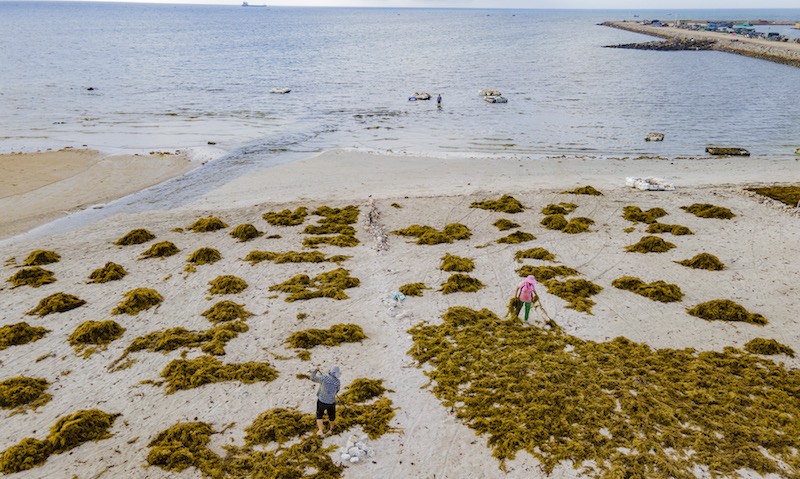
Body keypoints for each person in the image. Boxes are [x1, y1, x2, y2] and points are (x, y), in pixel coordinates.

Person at [310, 365, 341, 436]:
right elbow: (337, 391)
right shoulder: (337, 382)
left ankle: (320, 430)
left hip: (321, 401)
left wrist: (316, 370)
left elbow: (312, 378)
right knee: (331, 417)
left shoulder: (324, 378)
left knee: (319, 415)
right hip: (331, 402)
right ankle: (331, 429)